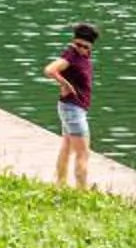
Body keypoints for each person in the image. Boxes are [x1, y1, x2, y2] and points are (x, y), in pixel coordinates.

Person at [41, 23, 97, 188]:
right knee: (83, 153)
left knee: (67, 147)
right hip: (73, 109)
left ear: (90, 46)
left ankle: (60, 184)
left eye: (84, 46)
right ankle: (82, 191)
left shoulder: (81, 56)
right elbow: (50, 70)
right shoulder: (70, 56)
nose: (79, 48)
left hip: (71, 108)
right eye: (77, 44)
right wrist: (65, 84)